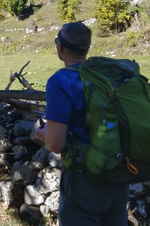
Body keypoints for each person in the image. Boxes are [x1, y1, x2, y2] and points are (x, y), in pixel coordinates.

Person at [36, 22, 129, 226]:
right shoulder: (105, 77)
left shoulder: (61, 81)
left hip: (85, 179)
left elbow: (56, 144)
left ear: (60, 47)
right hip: (118, 174)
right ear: (87, 49)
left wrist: (41, 133)